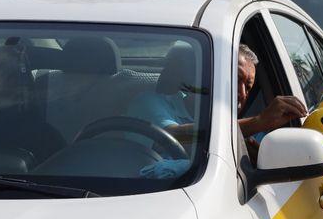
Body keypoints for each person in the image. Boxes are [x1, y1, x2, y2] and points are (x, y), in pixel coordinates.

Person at [127, 44, 307, 176]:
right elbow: (169, 137)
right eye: (236, 78)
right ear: (200, 75)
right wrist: (257, 122)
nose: (242, 93)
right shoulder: (150, 102)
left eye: (249, 87)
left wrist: (258, 162)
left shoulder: (253, 136)